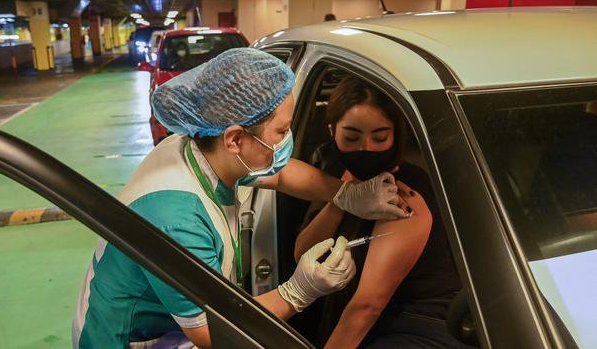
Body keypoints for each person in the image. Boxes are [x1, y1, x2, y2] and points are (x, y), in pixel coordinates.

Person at [72, 49, 410, 349]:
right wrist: (299, 290)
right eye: (281, 131)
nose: (287, 140)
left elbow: (280, 173)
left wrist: (346, 194)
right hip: (131, 337)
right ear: (235, 139)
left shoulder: (206, 147)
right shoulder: (176, 218)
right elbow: (212, 332)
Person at [294, 76, 465, 348]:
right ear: (331, 131)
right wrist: (342, 198)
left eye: (379, 136)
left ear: (396, 135)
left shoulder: (403, 193)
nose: (366, 148)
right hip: (373, 321)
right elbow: (303, 253)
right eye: (351, 137)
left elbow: (366, 308)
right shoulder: (336, 178)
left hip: (419, 325)